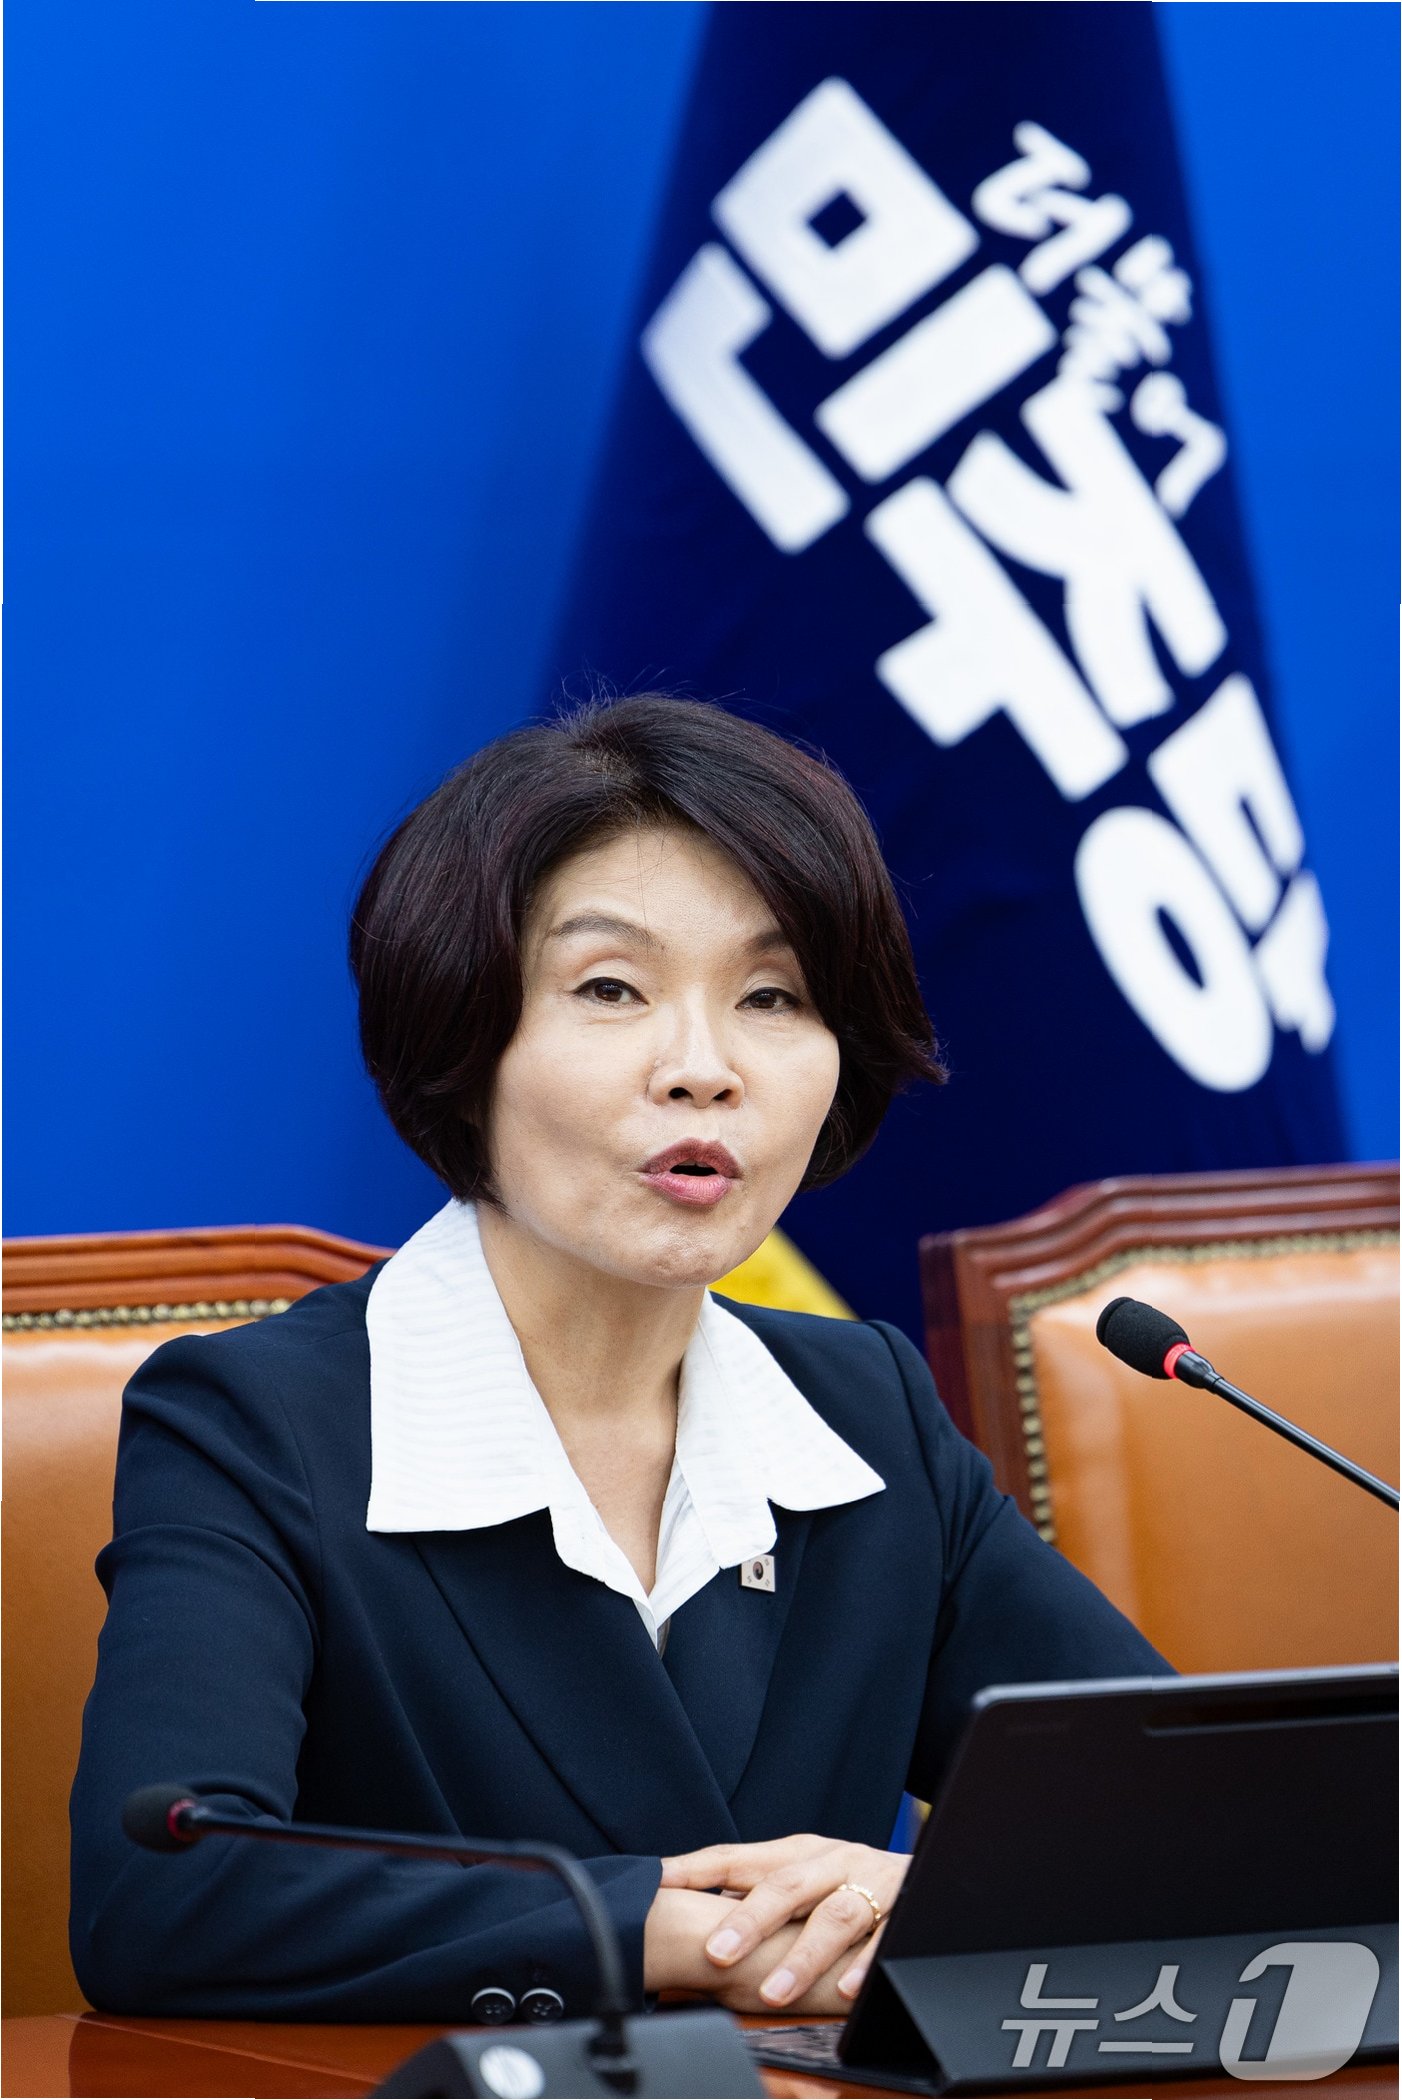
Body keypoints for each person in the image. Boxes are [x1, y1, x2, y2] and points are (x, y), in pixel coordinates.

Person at [69, 695, 1169, 2024]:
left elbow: (1196, 1813)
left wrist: (927, 1894)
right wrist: (665, 1930)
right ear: (462, 1035)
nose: (703, 1069)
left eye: (772, 997)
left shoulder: (863, 1413)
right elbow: (164, 1893)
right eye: (609, 989)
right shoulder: (256, 1422)